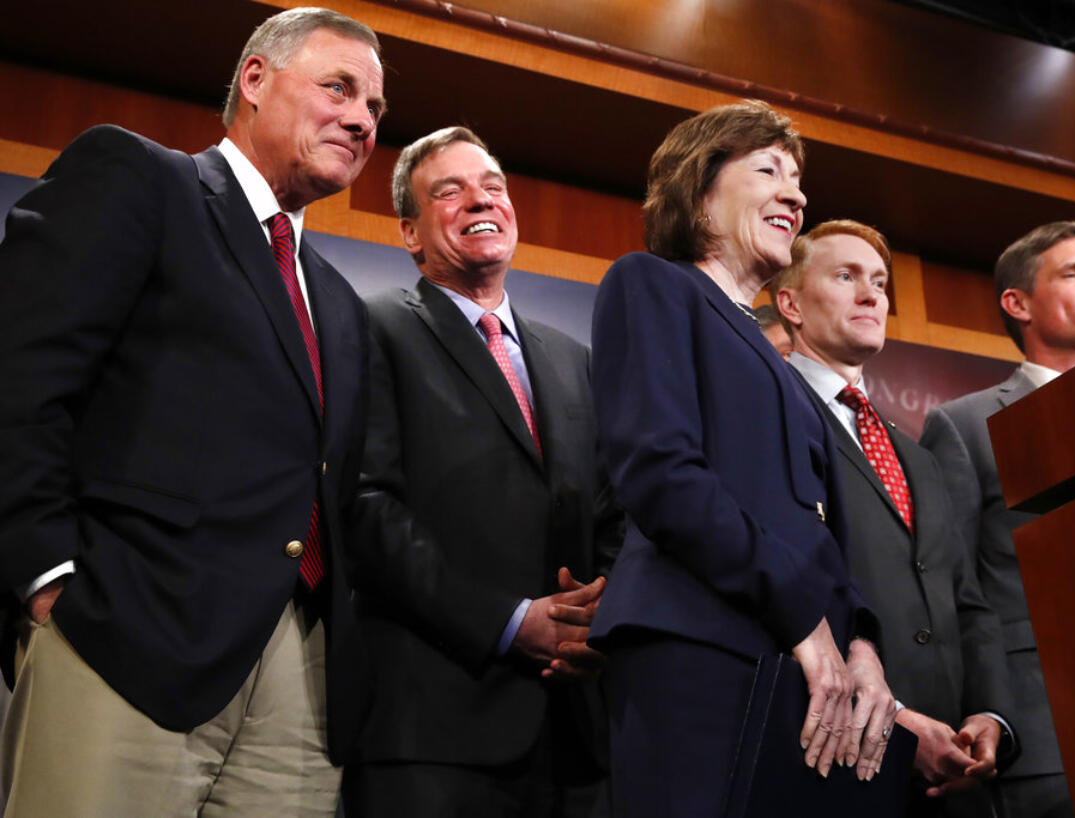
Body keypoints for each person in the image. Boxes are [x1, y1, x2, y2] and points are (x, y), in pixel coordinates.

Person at [0, 7, 384, 817]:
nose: (360, 119)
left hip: (301, 686)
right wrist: (46, 576)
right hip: (123, 635)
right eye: (340, 88)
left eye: (375, 110)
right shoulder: (140, 179)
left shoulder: (341, 304)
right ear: (255, 79)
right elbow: (19, 376)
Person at [587, 100, 896, 818]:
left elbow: (823, 540)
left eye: (797, 179)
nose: (795, 193)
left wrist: (861, 647)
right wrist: (802, 619)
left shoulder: (782, 368)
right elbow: (663, 476)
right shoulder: (651, 284)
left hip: (804, 671)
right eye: (767, 170)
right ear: (699, 191)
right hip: (696, 654)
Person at [343, 126, 623, 818]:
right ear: (410, 232)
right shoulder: (372, 326)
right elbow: (366, 506)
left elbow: (614, 514)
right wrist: (507, 621)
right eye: (451, 191)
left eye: (493, 186)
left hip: (575, 736)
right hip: (434, 731)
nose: (480, 200)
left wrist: (602, 620)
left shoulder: (572, 357)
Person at [774, 220, 1016, 817]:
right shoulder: (772, 416)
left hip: (955, 778)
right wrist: (900, 724)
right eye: (846, 276)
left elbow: (967, 600)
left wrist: (989, 717)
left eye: (880, 283)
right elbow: (778, 585)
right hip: (837, 760)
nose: (871, 295)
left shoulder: (918, 454)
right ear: (791, 303)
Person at [920, 221, 1075, 818]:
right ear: (1017, 302)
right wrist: (986, 712)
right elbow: (955, 584)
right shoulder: (967, 424)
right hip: (1046, 724)